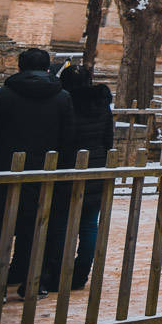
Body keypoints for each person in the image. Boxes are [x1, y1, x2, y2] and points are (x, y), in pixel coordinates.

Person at [0, 48, 75, 293]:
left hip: (3, 170)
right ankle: (29, 280)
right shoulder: (62, 98)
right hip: (44, 172)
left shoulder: (2, 96)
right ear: (47, 68)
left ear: (20, 67)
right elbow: (68, 139)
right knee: (35, 227)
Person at [53, 63, 114, 284]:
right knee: (89, 224)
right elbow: (108, 139)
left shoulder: (65, 102)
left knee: (59, 223)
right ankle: (80, 274)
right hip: (96, 168)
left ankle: (56, 272)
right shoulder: (101, 103)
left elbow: (62, 137)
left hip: (67, 167)